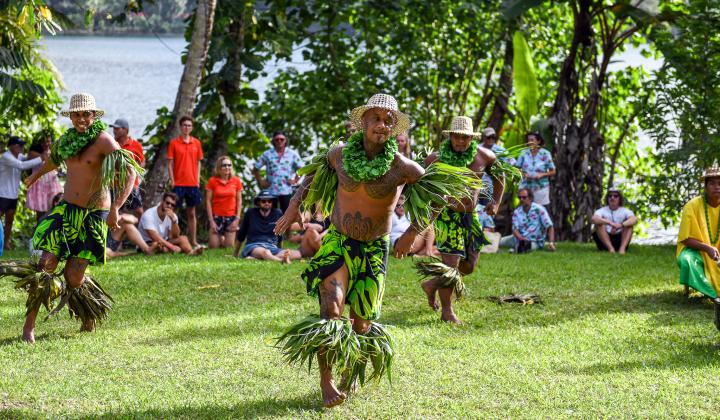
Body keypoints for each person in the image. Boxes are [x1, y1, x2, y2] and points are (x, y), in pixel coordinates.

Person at [273, 94, 484, 408]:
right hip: (338, 243)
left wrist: (412, 233)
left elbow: (437, 198)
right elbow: (314, 174)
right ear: (363, 122)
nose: (382, 126)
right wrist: (293, 207)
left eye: (389, 121)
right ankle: (326, 380)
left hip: (374, 249)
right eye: (376, 119)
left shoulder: (402, 166)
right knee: (331, 311)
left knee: (361, 323)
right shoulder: (339, 154)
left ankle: (354, 370)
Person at [2, 93, 142, 343]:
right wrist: (34, 177)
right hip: (66, 210)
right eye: (76, 114)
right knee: (44, 265)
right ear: (71, 116)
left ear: (93, 115)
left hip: (93, 215)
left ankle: (89, 311)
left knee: (73, 277)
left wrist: (116, 208)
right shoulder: (67, 140)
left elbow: (130, 172)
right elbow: (53, 161)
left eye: (85, 114)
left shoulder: (104, 141)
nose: (81, 119)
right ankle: (28, 329)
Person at [418, 116, 506, 324]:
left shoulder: (484, 156)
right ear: (450, 137)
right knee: (451, 265)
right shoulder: (435, 159)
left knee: (468, 266)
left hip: (471, 215)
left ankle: (432, 284)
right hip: (446, 216)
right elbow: (421, 184)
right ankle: (447, 312)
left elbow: (500, 177)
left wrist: (495, 202)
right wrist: (434, 200)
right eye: (456, 137)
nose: (460, 142)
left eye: (464, 138)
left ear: (471, 138)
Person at [677, 165, 720, 329]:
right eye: (713, 183)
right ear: (705, 186)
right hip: (693, 249)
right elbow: (686, 239)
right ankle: (712, 295)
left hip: (717, 253)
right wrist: (707, 248)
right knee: (688, 260)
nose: (717, 187)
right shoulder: (692, 205)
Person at [0, 136, 44, 249]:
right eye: (19, 146)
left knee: (9, 221)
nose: (21, 147)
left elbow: (26, 158)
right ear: (11, 147)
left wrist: (39, 153)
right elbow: (21, 166)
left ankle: (6, 244)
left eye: (22, 145)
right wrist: (42, 158)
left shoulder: (18, 156)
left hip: (13, 195)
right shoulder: (6, 157)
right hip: (2, 195)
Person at [233, 190, 300, 263]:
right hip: (254, 246)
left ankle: (258, 259)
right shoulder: (250, 213)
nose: (267, 203)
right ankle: (281, 261)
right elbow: (241, 234)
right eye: (263, 201)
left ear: (272, 202)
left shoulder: (277, 213)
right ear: (258, 202)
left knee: (297, 254)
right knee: (265, 252)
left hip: (272, 246)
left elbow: (280, 234)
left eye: (269, 201)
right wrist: (235, 254)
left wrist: (280, 250)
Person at [167, 116, 203, 248]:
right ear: (180, 127)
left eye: (189, 125)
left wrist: (197, 180)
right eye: (184, 125)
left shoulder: (197, 143)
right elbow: (170, 164)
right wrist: (172, 180)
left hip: (192, 183)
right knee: (173, 212)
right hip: (178, 184)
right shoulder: (174, 143)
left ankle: (193, 241)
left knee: (192, 213)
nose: (186, 127)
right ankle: (170, 239)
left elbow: (198, 163)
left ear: (192, 127)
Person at [253, 131, 304, 213]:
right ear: (273, 141)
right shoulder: (267, 154)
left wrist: (295, 179)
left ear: (285, 141)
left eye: (281, 139)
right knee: (272, 216)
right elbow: (256, 168)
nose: (279, 141)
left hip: (286, 190)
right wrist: (261, 181)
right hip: (271, 191)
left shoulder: (292, 154)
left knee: (286, 215)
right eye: (277, 139)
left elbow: (302, 168)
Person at [500, 188, 556, 252]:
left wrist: (551, 243)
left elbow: (550, 226)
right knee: (497, 242)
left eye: (524, 197)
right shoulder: (517, 212)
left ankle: (516, 249)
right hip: (518, 238)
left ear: (530, 198)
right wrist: (521, 238)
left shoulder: (539, 209)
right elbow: (515, 229)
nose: (521, 199)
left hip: (534, 241)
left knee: (527, 247)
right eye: (519, 197)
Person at [206, 156, 243, 249]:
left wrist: (237, 219)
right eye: (224, 165)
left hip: (231, 217)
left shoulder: (236, 181)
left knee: (229, 246)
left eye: (229, 165)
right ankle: (220, 238)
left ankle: (223, 238)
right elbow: (208, 201)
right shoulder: (212, 181)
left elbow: (239, 201)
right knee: (213, 246)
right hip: (216, 217)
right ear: (219, 167)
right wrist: (211, 221)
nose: (227, 167)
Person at [111, 118, 145, 218]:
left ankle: (141, 231)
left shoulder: (135, 144)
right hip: (113, 184)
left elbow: (142, 161)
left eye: (117, 129)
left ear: (125, 130)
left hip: (131, 184)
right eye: (113, 128)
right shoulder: (110, 143)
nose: (114, 130)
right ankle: (115, 232)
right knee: (113, 211)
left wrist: (136, 170)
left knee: (139, 211)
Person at [25, 132, 63, 222]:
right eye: (44, 142)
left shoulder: (53, 152)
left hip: (51, 183)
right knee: (40, 210)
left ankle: (48, 231)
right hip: (39, 184)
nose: (47, 144)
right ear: (39, 143)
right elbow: (46, 160)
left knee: (52, 207)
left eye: (49, 141)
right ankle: (38, 231)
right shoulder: (33, 153)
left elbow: (56, 167)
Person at [591, 187, 637, 254]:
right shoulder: (601, 210)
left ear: (619, 199)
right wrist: (610, 223)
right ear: (607, 198)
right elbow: (594, 219)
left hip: (620, 239)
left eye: (615, 196)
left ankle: (622, 249)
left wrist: (621, 225)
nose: (612, 198)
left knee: (629, 225)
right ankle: (611, 249)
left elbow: (634, 219)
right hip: (604, 241)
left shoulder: (625, 211)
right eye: (610, 196)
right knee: (599, 224)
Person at [516, 132, 556, 206]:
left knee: (538, 210)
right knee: (525, 208)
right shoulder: (523, 153)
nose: (530, 142)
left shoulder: (545, 154)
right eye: (528, 140)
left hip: (541, 188)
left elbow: (553, 171)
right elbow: (516, 169)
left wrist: (542, 174)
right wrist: (523, 174)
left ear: (538, 141)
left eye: (532, 140)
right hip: (525, 188)